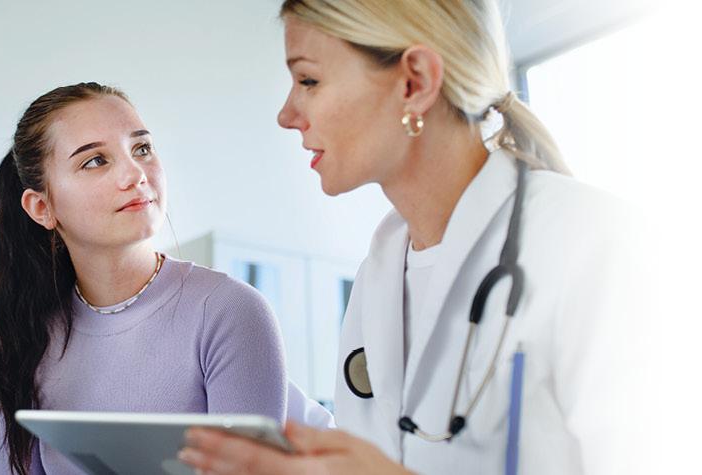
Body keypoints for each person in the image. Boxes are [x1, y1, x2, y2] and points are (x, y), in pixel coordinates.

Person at [178, 1, 638, 474]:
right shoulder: (378, 277)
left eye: (309, 80)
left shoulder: (593, 242)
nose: (287, 114)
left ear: (414, 81)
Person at [0, 82, 327, 475]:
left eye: (142, 149)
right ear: (42, 207)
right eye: (95, 161)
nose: (135, 174)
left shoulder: (228, 311)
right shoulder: (20, 336)